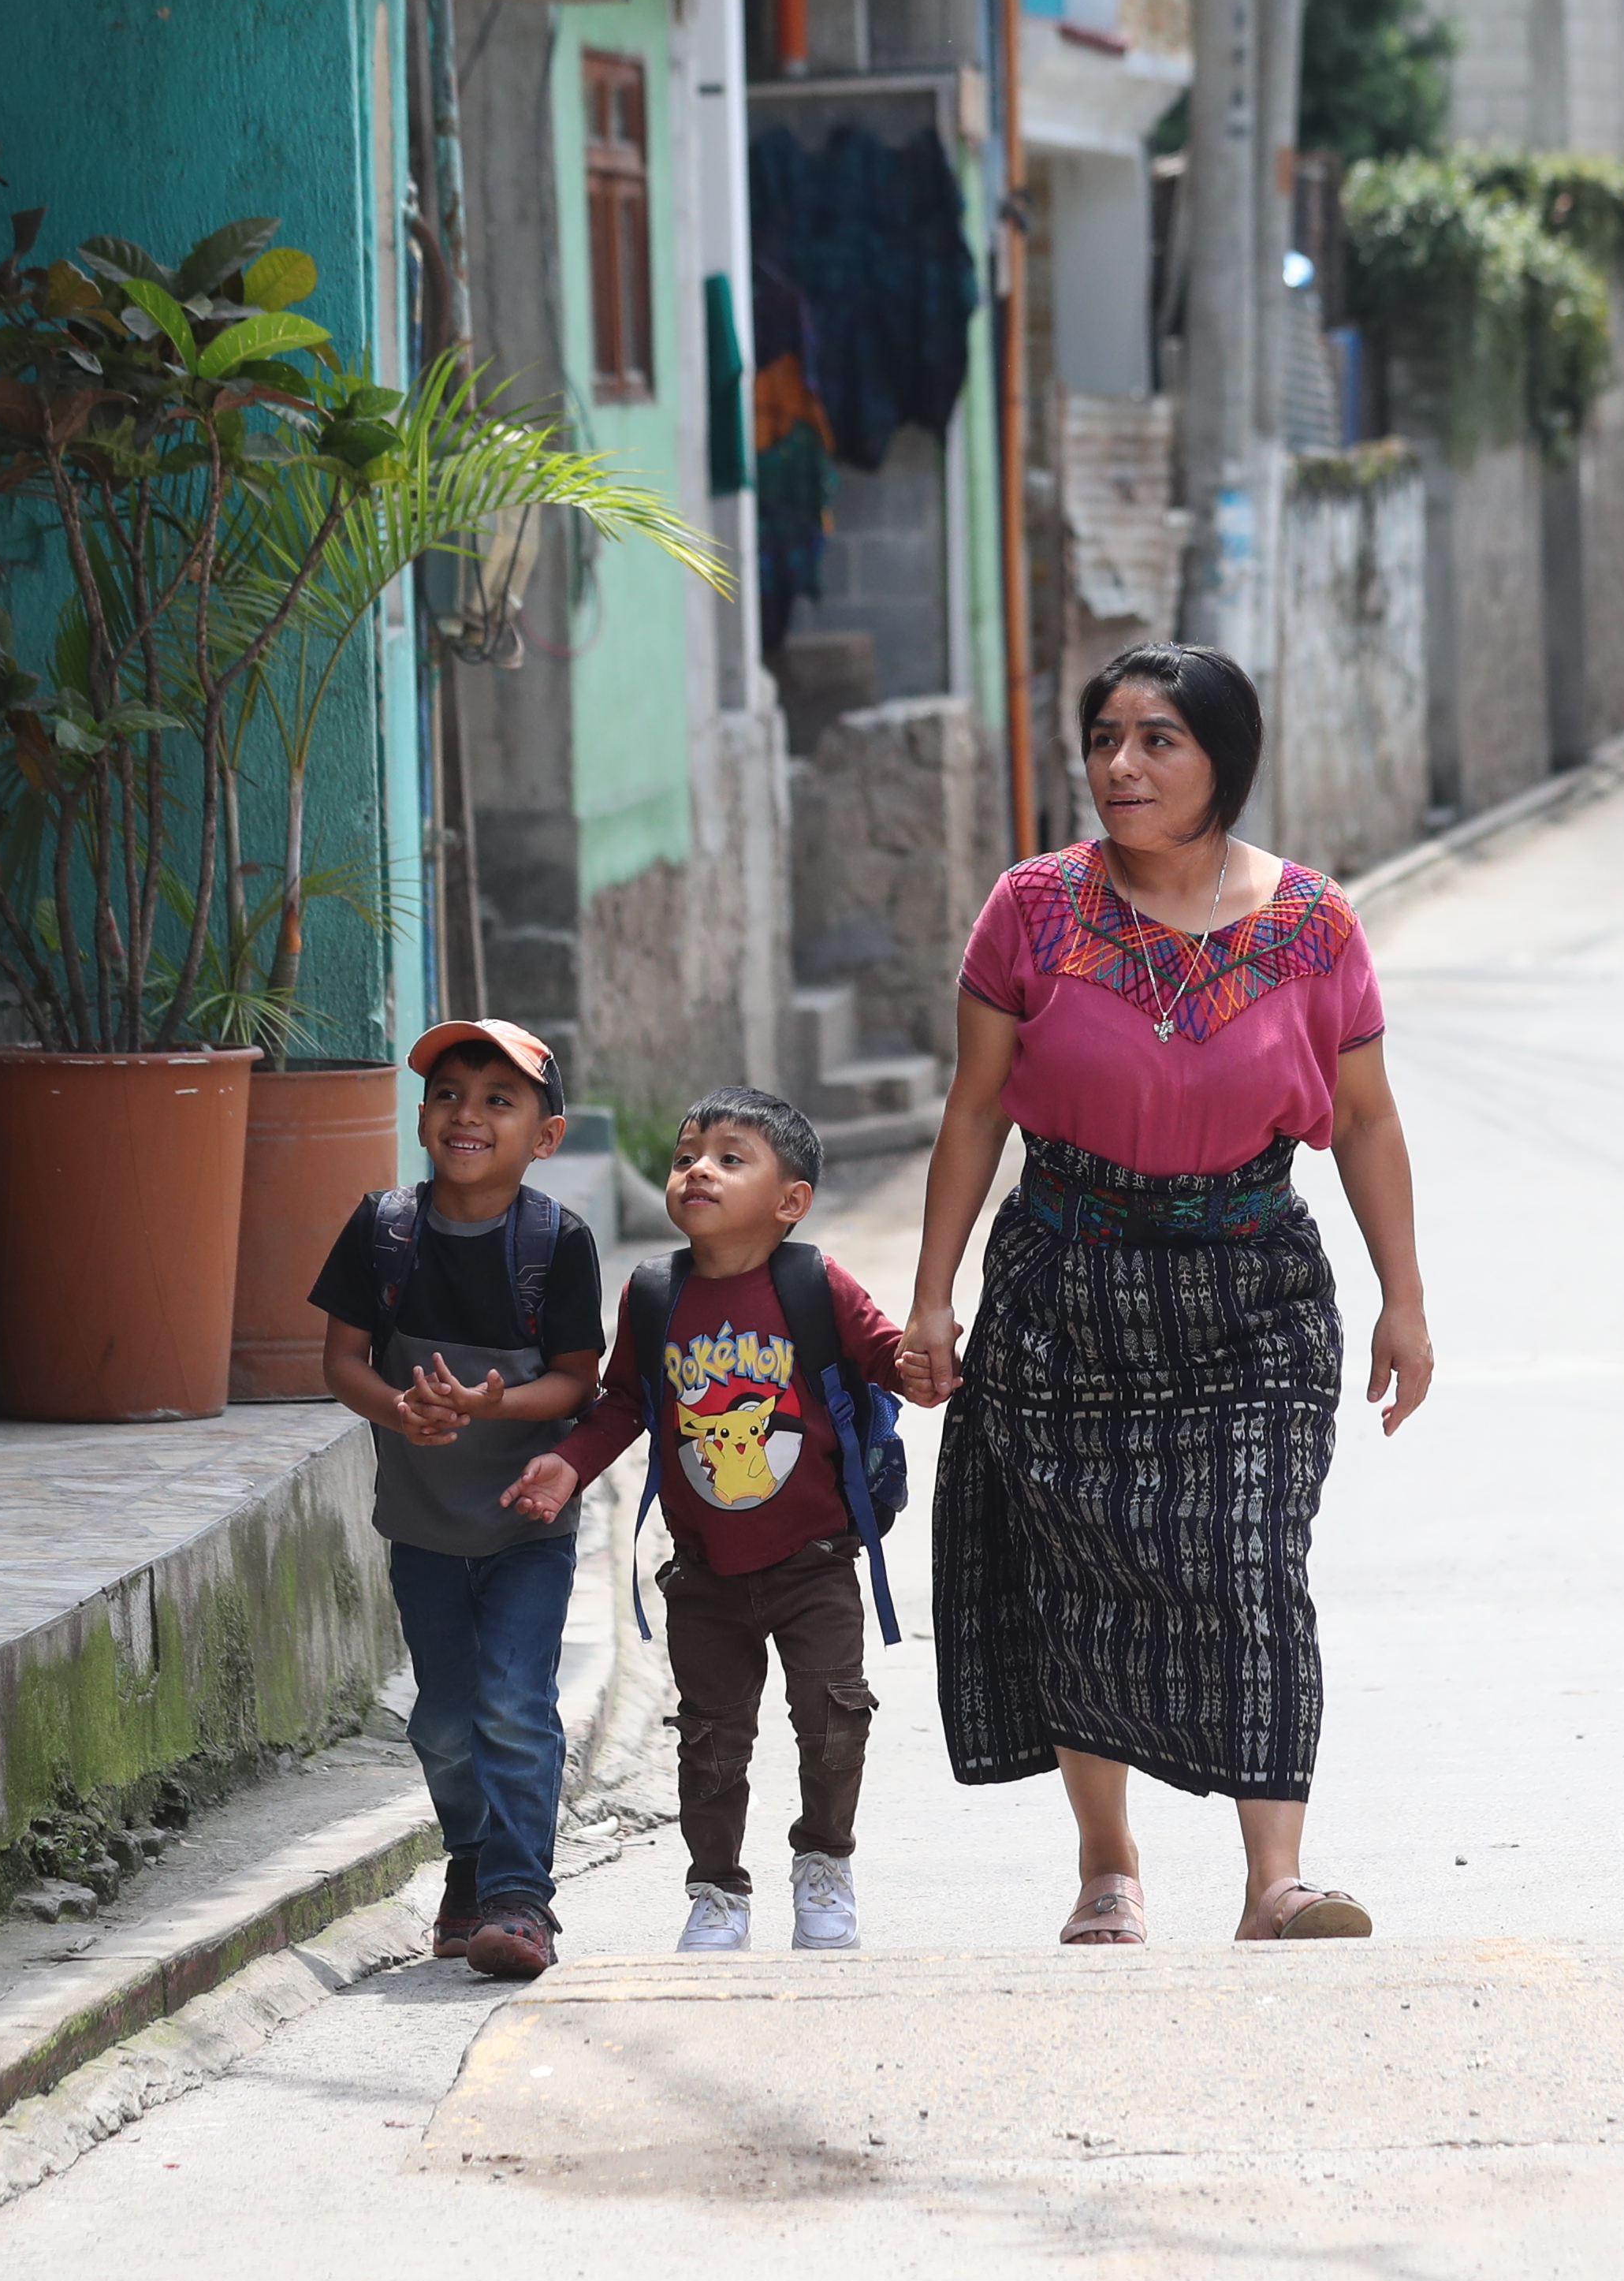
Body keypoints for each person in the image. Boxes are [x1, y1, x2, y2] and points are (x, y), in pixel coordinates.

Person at [901, 643, 1435, 1945]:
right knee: (1081, 1571)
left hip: (1250, 1286)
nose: (1120, 764)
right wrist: (930, 1298)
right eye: (1103, 739)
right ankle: (1107, 1864)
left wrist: (1402, 1299)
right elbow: (974, 1109)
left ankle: (1275, 1880)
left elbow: (1362, 1118)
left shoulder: (1313, 924)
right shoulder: (1029, 908)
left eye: (1157, 740)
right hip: (1064, 1285)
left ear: (1222, 762)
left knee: (1253, 1555)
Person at [514, 1086, 928, 1957]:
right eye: (685, 1155)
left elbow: (890, 1359)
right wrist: (568, 1465)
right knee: (708, 1741)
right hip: (702, 1571)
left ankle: (824, 1862)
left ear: (790, 1202)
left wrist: (928, 1364)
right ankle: (716, 1892)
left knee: (832, 1718)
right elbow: (625, 1402)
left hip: (815, 1564)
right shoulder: (655, 1293)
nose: (698, 1168)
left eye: (730, 1157)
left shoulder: (814, 1283)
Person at [310, 1019, 606, 1980]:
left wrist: (493, 1407)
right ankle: (470, 1862)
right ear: (424, 1116)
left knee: (516, 1703)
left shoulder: (556, 1244)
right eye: (447, 1095)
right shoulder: (382, 1230)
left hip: (528, 1526)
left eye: (497, 1100)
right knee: (443, 1717)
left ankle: (521, 1900)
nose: (466, 1115)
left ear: (544, 1138)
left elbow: (576, 1383)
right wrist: (402, 1412)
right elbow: (341, 1361)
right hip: (426, 1528)